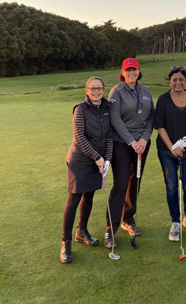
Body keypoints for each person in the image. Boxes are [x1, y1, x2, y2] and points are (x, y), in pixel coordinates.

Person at [60, 77, 113, 263]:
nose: (96, 91)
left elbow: (110, 136)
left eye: (99, 88)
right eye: (93, 88)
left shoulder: (108, 108)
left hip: (97, 161)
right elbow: (80, 138)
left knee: (89, 196)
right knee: (74, 199)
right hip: (79, 161)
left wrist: (107, 158)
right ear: (87, 90)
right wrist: (98, 158)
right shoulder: (80, 109)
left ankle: (81, 231)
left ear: (104, 89)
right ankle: (65, 243)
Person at [105, 57, 154, 248]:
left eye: (134, 70)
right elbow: (115, 119)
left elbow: (151, 117)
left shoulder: (146, 91)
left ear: (139, 71)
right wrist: (132, 141)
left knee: (136, 180)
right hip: (122, 144)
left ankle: (128, 218)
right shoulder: (116, 91)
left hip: (142, 144)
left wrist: (143, 139)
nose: (131, 73)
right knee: (121, 184)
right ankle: (111, 227)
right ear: (123, 72)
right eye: (128, 70)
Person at [155, 66, 186, 242]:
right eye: (174, 79)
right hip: (166, 151)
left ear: (185, 81)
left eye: (181, 79)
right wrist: (172, 147)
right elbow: (160, 126)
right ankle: (175, 221)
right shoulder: (163, 100)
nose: (178, 82)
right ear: (169, 81)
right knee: (172, 187)